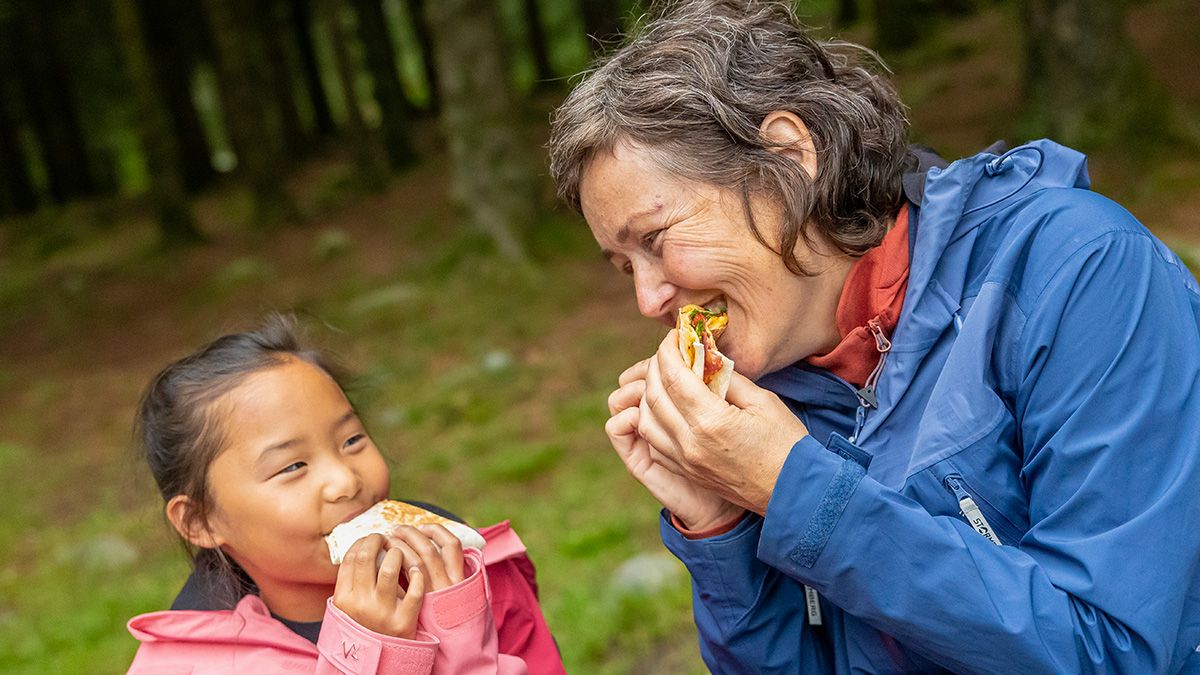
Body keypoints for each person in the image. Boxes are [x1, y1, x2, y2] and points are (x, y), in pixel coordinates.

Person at [548, 1, 1200, 672]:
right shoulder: (767, 399)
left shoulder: (1074, 270)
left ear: (789, 155)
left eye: (655, 241)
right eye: (626, 266)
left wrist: (793, 487)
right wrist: (722, 528)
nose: (647, 298)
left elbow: (1114, 652)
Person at [125, 316, 565, 674]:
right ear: (201, 521)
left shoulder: (479, 581)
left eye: (352, 440)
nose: (346, 481)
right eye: (292, 466)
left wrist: (459, 624)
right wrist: (370, 653)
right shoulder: (189, 667)